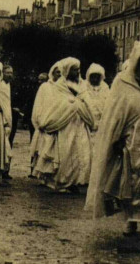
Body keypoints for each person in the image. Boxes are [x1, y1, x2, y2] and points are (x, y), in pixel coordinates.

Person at [86, 39, 140, 236]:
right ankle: (131, 220)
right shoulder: (122, 83)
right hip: (130, 140)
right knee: (131, 181)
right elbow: (114, 114)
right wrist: (115, 139)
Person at [32, 57, 94, 193]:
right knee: (67, 153)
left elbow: (87, 102)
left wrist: (82, 107)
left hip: (80, 122)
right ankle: (63, 182)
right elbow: (55, 105)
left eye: (78, 69)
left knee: (82, 152)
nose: (77, 72)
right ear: (67, 70)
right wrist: (71, 105)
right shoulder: (59, 86)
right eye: (74, 70)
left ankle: (77, 181)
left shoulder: (83, 85)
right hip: (65, 125)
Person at [29, 62, 61, 176]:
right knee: (43, 147)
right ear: (52, 73)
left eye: (61, 72)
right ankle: (41, 173)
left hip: (58, 121)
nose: (59, 75)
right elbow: (39, 104)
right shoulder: (45, 87)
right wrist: (39, 120)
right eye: (57, 72)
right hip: (45, 122)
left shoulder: (64, 87)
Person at [79, 63, 110, 146]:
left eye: (97, 76)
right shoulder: (84, 87)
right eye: (93, 76)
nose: (95, 79)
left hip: (101, 124)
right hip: (86, 124)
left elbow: (108, 105)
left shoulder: (105, 87)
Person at [2, 65, 23, 181]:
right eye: (7, 73)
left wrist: (17, 108)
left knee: (10, 142)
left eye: (11, 73)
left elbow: (19, 100)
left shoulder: (14, 87)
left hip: (12, 118)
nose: (9, 75)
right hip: (1, 118)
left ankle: (6, 169)